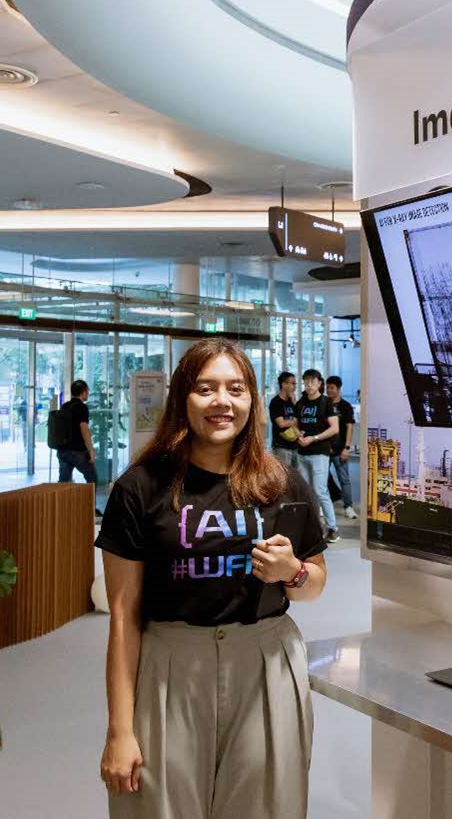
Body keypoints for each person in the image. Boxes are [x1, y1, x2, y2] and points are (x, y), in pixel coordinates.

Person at [96, 339, 328, 819]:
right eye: (206, 388)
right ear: (183, 398)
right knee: (160, 805)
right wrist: (120, 728)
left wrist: (293, 572)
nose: (222, 401)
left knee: (266, 805)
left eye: (235, 389)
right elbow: (123, 615)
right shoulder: (141, 487)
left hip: (264, 662)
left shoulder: (280, 482)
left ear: (251, 401)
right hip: (171, 667)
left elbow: (315, 583)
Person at [294, 368, 339, 542]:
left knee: (320, 491)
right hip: (302, 452)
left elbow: (334, 428)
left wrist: (314, 438)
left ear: (320, 383)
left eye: (312, 381)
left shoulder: (326, 402)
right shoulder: (301, 403)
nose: (309, 385)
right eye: (306, 382)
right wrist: (298, 434)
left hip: (319, 453)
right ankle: (314, 527)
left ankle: (333, 528)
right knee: (307, 492)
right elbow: (296, 425)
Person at [325, 375, 357, 520]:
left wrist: (347, 447)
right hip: (324, 449)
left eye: (332, 388)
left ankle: (348, 506)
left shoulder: (346, 406)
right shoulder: (324, 404)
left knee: (344, 479)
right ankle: (325, 504)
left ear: (339, 389)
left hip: (340, 449)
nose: (329, 391)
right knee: (322, 478)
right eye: (328, 387)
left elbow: (349, 427)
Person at [58, 379, 97, 484]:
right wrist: (91, 450)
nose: (88, 393)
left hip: (63, 450)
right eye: (87, 391)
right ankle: (89, 500)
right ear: (83, 391)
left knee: (64, 482)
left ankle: (62, 501)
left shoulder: (65, 406)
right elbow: (84, 428)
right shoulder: (81, 407)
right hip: (77, 451)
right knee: (92, 478)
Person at [268, 371, 299, 469]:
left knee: (297, 477)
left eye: (295, 384)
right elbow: (281, 423)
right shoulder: (275, 402)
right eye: (293, 383)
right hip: (281, 446)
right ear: (284, 384)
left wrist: (295, 403)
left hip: (296, 445)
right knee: (284, 477)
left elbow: (300, 419)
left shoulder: (292, 401)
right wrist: (294, 421)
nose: (295, 386)